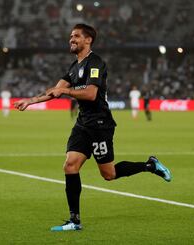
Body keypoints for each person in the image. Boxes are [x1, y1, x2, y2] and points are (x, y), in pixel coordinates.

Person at [14, 24, 172, 232]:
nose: (71, 39)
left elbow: (90, 94)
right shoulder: (73, 67)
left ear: (88, 40)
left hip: (100, 124)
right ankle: (74, 221)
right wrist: (30, 101)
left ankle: (150, 165)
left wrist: (67, 91)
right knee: (70, 165)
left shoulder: (95, 63)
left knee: (109, 174)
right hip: (83, 124)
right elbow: (55, 91)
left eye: (76, 36)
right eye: (70, 36)